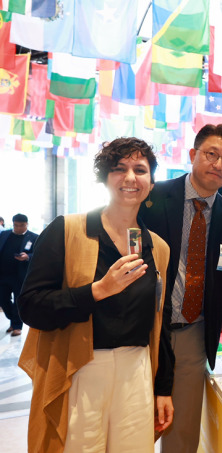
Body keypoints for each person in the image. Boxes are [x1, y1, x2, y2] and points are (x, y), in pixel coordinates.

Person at [17, 138, 173, 452]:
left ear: (151, 183)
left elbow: (160, 322)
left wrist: (164, 388)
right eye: (119, 169)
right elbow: (31, 306)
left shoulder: (157, 247)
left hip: (137, 369)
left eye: (140, 169)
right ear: (104, 178)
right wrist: (98, 290)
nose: (130, 177)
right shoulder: (67, 230)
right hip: (81, 367)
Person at [139, 123, 222, 453]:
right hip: (144, 326)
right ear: (193, 154)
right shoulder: (153, 198)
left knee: (183, 428)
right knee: (131, 422)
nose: (218, 164)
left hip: (193, 332)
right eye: (211, 154)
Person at [0, 213, 38, 336]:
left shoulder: (33, 237)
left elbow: (38, 254)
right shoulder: (4, 234)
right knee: (2, 299)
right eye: (16, 225)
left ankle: (16, 326)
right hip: (3, 274)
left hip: (19, 275)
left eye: (21, 225)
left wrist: (27, 256)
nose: (18, 228)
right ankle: (13, 319)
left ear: (27, 224)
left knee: (18, 300)